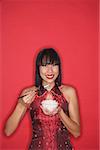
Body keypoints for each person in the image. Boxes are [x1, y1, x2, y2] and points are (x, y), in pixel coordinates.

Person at [4, 48, 80, 150]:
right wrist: (21, 105)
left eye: (54, 65)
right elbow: (8, 131)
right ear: (38, 68)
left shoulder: (69, 92)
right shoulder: (29, 93)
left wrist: (60, 112)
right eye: (44, 65)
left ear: (59, 67)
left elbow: (77, 132)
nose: (50, 70)